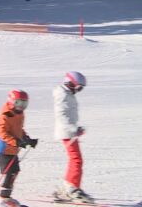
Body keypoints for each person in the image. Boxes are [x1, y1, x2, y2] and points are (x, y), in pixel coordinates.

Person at [53, 71, 94, 203]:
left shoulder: (67, 94)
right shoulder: (63, 95)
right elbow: (62, 115)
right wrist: (73, 129)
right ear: (71, 83)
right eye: (79, 87)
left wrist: (75, 128)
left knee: (74, 159)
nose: (79, 91)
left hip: (69, 132)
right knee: (76, 160)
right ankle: (72, 189)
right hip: (67, 133)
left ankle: (69, 187)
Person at [0, 89, 38, 207]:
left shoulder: (19, 113)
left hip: (13, 148)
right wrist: (16, 141)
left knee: (14, 172)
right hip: (4, 149)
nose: (21, 107)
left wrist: (27, 139)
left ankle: (4, 197)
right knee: (11, 172)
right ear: (11, 101)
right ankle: (3, 198)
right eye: (18, 103)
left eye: (24, 104)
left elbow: (18, 129)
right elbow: (2, 133)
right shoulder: (6, 114)